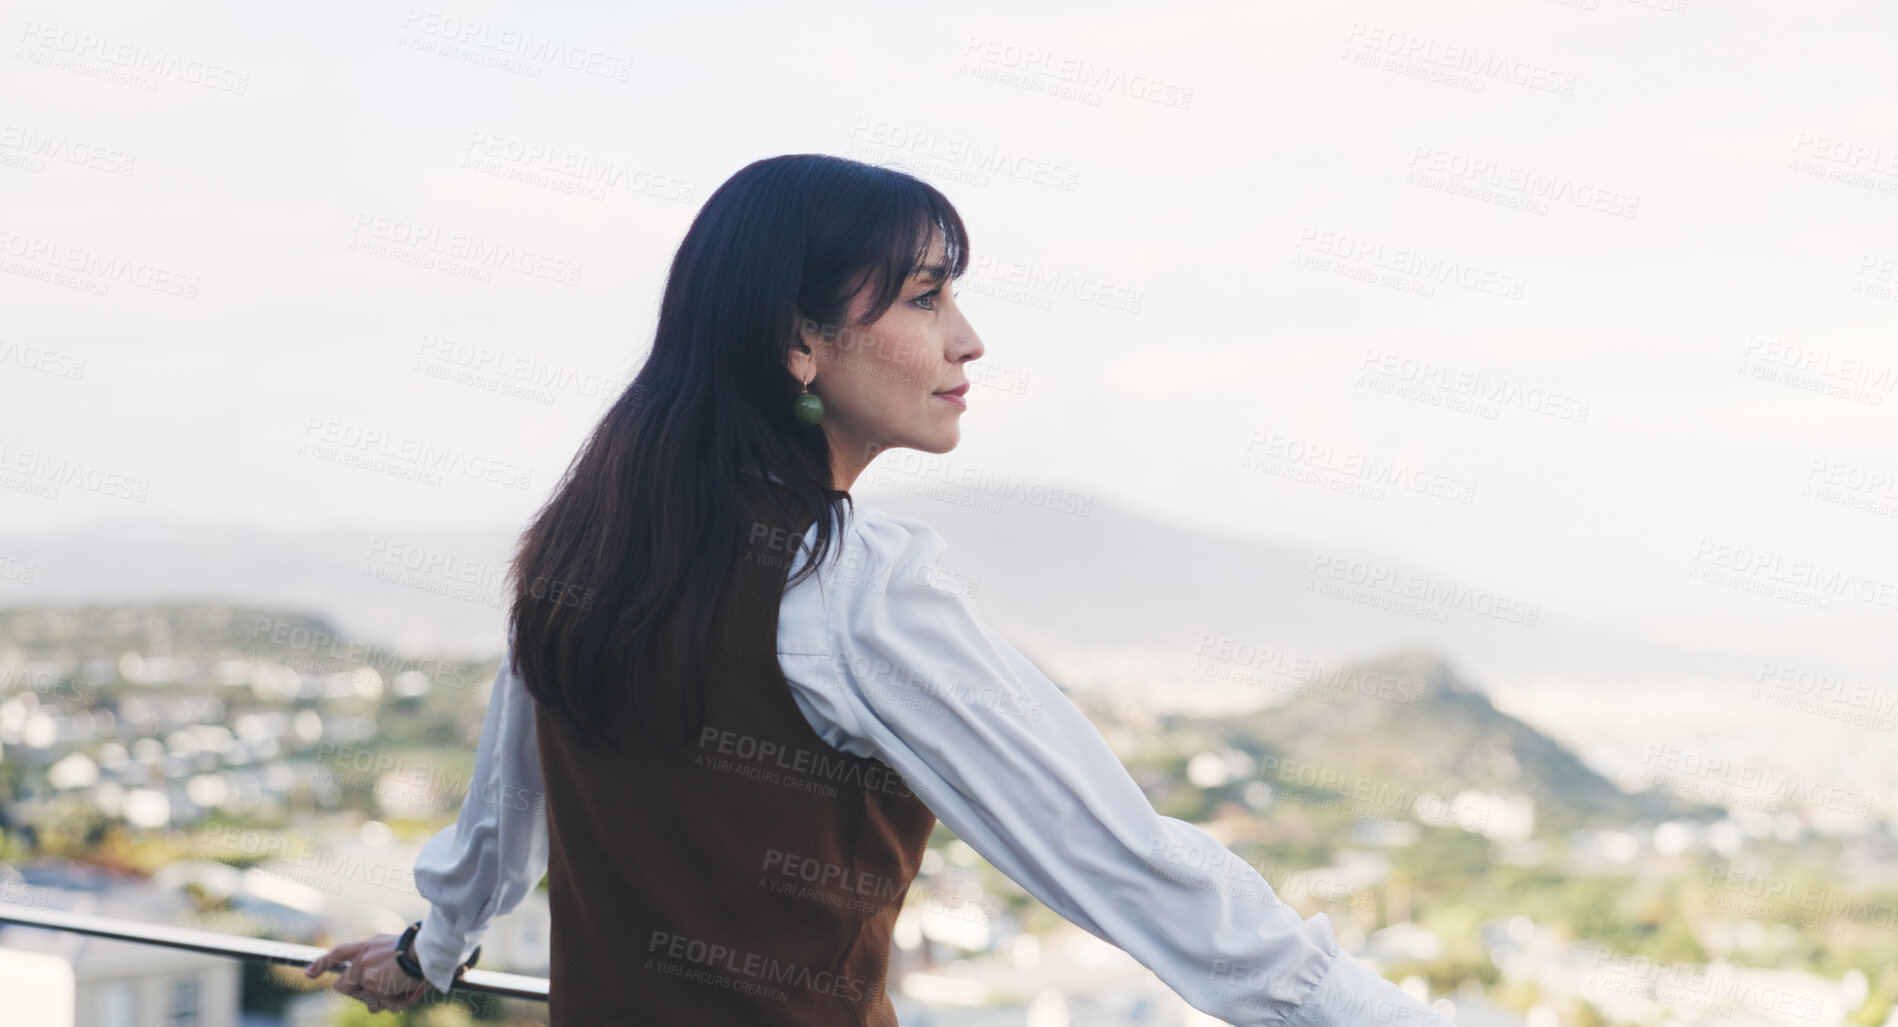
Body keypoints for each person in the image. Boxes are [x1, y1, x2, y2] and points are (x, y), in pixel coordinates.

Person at [306, 153, 1456, 1026]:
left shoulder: (583, 541)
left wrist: (430, 951)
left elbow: (503, 812)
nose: (969, 339)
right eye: (922, 296)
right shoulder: (849, 586)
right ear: (796, 344)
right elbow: (1123, 861)